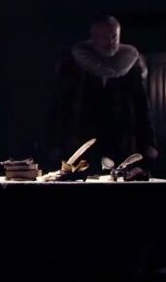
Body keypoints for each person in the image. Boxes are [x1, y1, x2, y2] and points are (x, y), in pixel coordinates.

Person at [47, 15, 158, 168]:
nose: (110, 42)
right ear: (93, 38)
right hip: (82, 142)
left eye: (114, 36)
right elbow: (60, 105)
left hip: (121, 142)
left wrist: (148, 143)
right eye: (104, 37)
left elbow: (142, 106)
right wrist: (55, 143)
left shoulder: (131, 66)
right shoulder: (74, 65)